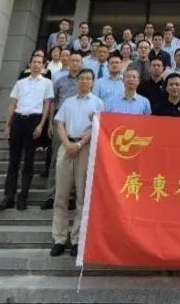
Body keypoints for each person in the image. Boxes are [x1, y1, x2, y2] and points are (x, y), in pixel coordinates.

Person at [49, 68, 103, 258]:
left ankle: (77, 239)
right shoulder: (68, 102)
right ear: (77, 81)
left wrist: (79, 144)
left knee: (82, 196)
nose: (85, 82)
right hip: (66, 146)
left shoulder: (98, 103)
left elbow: (97, 127)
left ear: (93, 82)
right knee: (61, 196)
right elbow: (59, 124)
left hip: (85, 147)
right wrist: (67, 144)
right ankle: (59, 238)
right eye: (82, 78)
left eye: (88, 79)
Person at [0, 51, 52, 211]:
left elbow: (47, 105)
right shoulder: (21, 83)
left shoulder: (46, 83)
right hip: (18, 120)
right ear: (30, 64)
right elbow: (13, 103)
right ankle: (9, 196)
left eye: (39, 62)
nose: (36, 64)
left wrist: (41, 124)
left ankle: (23, 197)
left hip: (34, 120)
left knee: (28, 162)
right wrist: (8, 125)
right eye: (34, 62)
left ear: (43, 66)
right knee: (13, 161)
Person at [42, 52, 83, 210]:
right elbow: (53, 102)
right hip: (60, 122)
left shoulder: (86, 81)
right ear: (68, 62)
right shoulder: (59, 80)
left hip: (78, 123)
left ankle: (72, 196)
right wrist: (51, 122)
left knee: (75, 160)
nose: (75, 63)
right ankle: (52, 195)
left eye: (78, 61)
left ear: (81, 64)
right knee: (55, 160)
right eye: (72, 60)